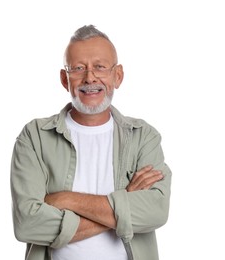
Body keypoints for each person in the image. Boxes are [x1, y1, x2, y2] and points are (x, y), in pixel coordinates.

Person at [10, 25, 172, 260]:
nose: (89, 77)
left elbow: (156, 211)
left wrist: (67, 199)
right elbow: (27, 224)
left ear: (117, 76)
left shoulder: (143, 137)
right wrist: (125, 200)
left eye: (100, 66)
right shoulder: (34, 136)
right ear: (65, 79)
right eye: (78, 68)